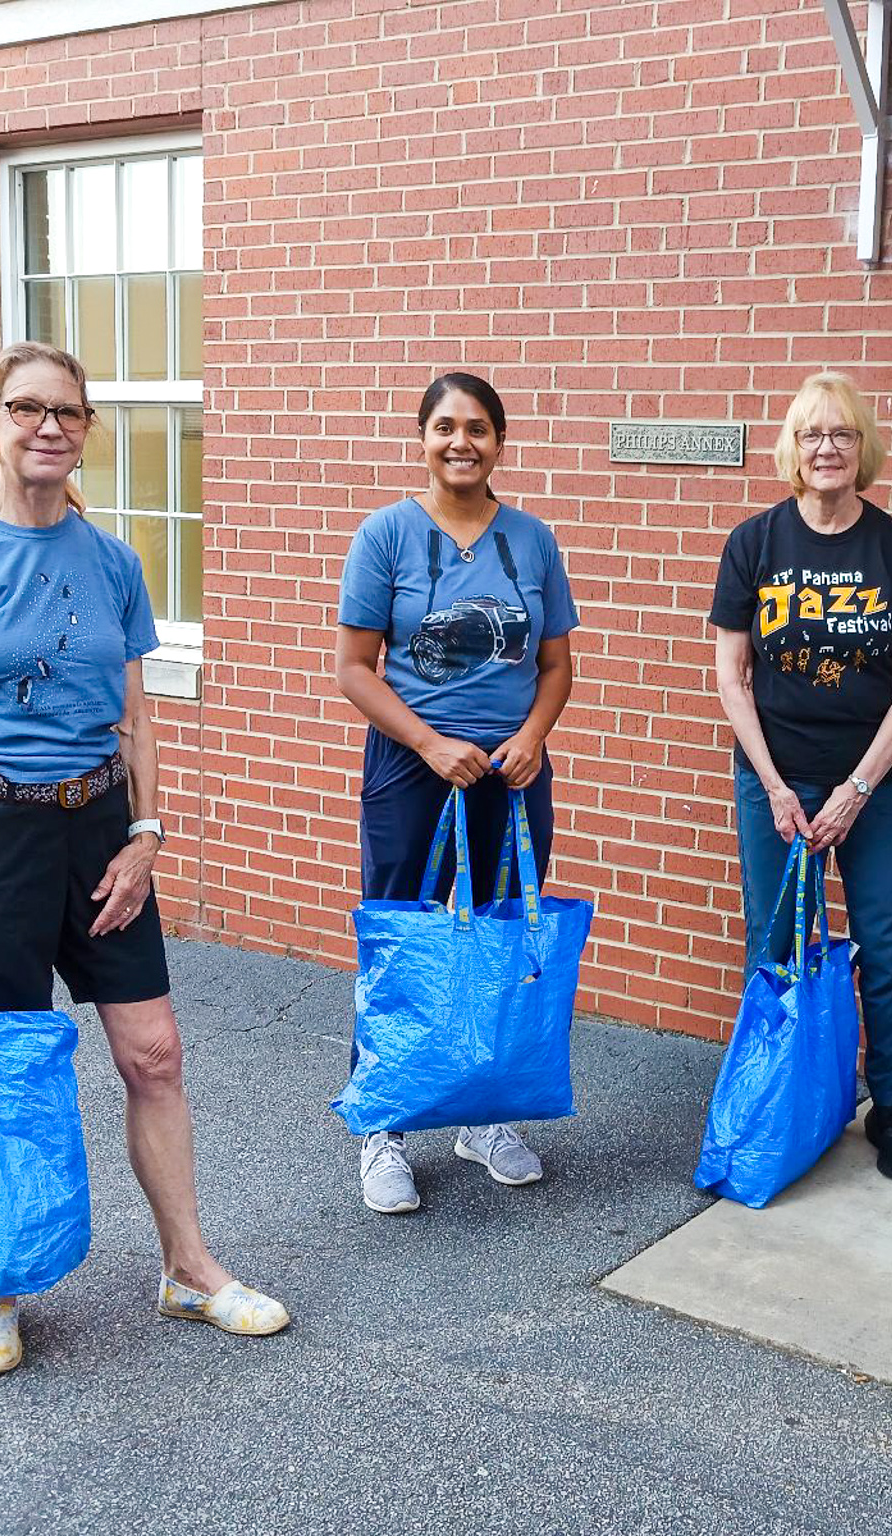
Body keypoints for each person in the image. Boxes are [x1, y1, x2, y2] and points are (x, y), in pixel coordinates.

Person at [0, 341, 288, 1377]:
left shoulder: (113, 563)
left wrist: (148, 836)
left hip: (99, 832)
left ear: (86, 431)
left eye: (67, 412)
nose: (49, 427)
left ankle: (188, 1269)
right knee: (8, 1071)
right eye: (27, 408)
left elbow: (137, 721)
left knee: (153, 1055)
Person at [334, 372, 578, 1214]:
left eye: (477, 428)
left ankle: (486, 1116)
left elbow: (555, 666)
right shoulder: (387, 537)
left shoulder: (533, 541)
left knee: (504, 944)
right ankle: (386, 1125)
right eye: (445, 427)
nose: (460, 442)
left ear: (500, 442)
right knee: (403, 941)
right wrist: (433, 744)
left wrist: (534, 737)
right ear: (423, 438)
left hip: (511, 776)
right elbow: (353, 671)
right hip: (413, 768)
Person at [709, 371, 892, 1181]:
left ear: (863, 450)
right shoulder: (755, 543)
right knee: (773, 940)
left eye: (842, 434)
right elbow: (730, 676)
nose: (827, 448)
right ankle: (774, 1094)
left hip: (879, 787)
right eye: (812, 435)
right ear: (792, 449)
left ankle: (889, 1107)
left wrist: (856, 788)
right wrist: (776, 784)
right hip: (776, 778)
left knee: (884, 945)